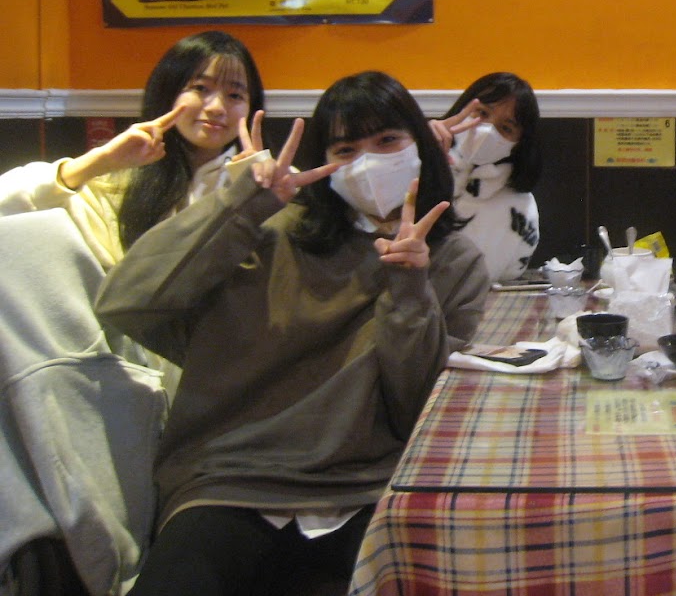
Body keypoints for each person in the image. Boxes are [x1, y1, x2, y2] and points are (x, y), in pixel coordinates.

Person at [95, 70, 490, 596]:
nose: (368, 162)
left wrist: (410, 287)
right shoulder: (271, 233)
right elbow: (126, 302)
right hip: (232, 481)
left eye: (388, 141)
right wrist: (241, 204)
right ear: (322, 163)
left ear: (423, 144)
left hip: (365, 489)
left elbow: (416, 409)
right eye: (346, 149)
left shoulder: (456, 262)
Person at [0, 29, 265, 271]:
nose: (217, 107)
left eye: (235, 95)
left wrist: (257, 194)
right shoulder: (114, 186)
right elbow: (8, 205)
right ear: (167, 93)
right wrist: (101, 160)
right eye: (200, 88)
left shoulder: (268, 184)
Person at [428, 72, 541, 283]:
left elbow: (501, 274)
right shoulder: (418, 166)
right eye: (481, 113)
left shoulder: (520, 208)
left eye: (506, 128)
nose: (486, 130)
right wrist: (420, 151)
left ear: (519, 143)